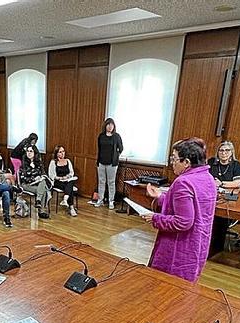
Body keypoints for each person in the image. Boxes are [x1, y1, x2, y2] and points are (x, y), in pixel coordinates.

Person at [142, 138, 217, 282]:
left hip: (178, 249)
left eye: (175, 159)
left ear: (187, 162)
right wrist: (160, 196)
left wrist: (155, 218)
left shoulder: (183, 182)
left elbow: (183, 222)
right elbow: (188, 207)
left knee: (165, 287)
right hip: (198, 245)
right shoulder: (208, 178)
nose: (172, 163)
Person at [89, 118, 124, 209]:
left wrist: (116, 156)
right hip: (101, 162)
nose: (110, 126)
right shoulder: (101, 136)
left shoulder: (116, 136)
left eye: (112, 125)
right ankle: (100, 199)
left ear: (114, 126)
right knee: (101, 182)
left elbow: (121, 148)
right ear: (105, 126)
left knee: (111, 182)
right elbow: (99, 148)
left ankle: (111, 201)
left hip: (112, 164)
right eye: (108, 124)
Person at [18, 144, 51, 219]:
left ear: (35, 153)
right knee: (44, 190)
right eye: (28, 151)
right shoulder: (23, 164)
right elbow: (23, 178)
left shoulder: (39, 163)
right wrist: (34, 179)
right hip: (26, 185)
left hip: (37, 185)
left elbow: (43, 174)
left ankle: (38, 201)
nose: (29, 153)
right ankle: (41, 210)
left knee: (43, 181)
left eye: (31, 151)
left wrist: (40, 177)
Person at [48, 145, 78, 217]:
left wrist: (67, 177)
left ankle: (65, 199)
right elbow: (51, 175)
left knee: (70, 182)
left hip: (67, 180)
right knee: (69, 186)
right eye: (60, 152)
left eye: (63, 151)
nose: (62, 153)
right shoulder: (53, 162)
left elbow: (71, 172)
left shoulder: (67, 161)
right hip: (58, 181)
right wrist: (60, 178)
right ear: (57, 153)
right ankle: (71, 207)